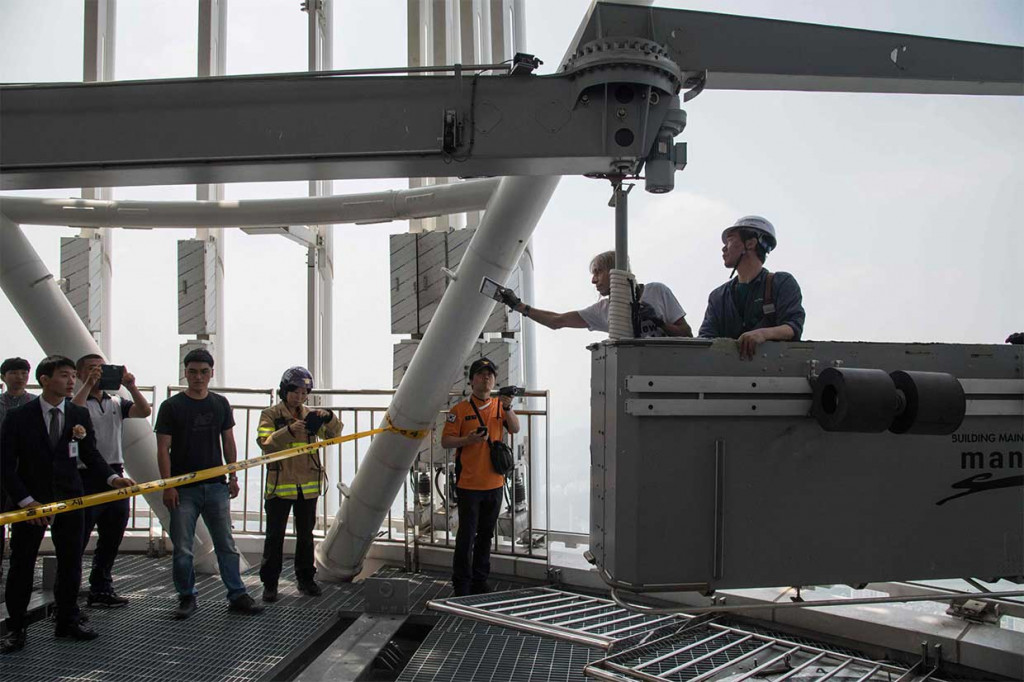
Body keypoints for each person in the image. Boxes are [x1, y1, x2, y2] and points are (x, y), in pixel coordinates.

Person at [0, 356, 134, 654]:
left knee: (72, 561)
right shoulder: (19, 417)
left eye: (74, 375)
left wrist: (113, 479)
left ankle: (67, 620)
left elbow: (91, 454)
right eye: (64, 375)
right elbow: (6, 466)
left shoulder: (77, 414)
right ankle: (17, 628)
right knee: (22, 564)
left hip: (71, 497)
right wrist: (26, 501)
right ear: (45, 380)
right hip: (30, 502)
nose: (72, 381)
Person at [154, 348, 262, 619]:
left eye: (203, 372)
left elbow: (228, 441)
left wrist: (233, 476)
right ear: (185, 373)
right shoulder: (171, 407)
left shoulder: (220, 404)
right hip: (184, 489)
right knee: (183, 548)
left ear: (211, 374)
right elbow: (162, 448)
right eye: (193, 372)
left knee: (226, 543)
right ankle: (187, 596)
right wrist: (169, 485)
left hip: (216, 485)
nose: (198, 377)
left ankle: (237, 594)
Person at [255, 366, 342, 602]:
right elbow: (266, 443)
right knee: (275, 536)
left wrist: (329, 417)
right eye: (295, 392)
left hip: (307, 484)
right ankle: (270, 583)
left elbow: (334, 435)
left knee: (306, 536)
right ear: (285, 391)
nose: (300, 397)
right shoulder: (270, 415)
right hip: (280, 484)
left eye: (304, 393)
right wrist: (288, 431)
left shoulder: (309, 414)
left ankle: (306, 579)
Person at [72, 355, 152, 608]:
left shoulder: (116, 401)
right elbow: (74, 410)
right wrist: (88, 384)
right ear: (78, 373)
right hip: (85, 473)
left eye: (101, 368)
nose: (97, 372)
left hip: (116, 471)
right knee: (77, 537)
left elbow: (144, 411)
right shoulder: (74, 400)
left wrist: (130, 385)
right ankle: (68, 593)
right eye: (90, 369)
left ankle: (101, 587)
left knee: (112, 534)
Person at [440, 358, 520, 596]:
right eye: (481, 374)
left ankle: (479, 580)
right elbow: (446, 441)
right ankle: (461, 584)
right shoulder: (459, 411)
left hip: (495, 482)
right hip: (469, 484)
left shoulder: (499, 406)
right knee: (466, 535)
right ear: (471, 380)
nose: (486, 378)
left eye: (490, 375)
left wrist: (508, 408)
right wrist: (468, 440)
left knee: (486, 534)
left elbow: (514, 428)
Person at [497, 250, 692, 338]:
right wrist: (518, 306)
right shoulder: (603, 310)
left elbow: (687, 334)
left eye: (598, 272)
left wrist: (658, 321)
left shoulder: (657, 291)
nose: (593, 280)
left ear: (615, 270)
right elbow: (557, 321)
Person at [698, 216, 805, 359]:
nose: (724, 248)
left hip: (772, 371)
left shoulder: (781, 283)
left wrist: (762, 334)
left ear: (750, 243)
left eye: (730, 240)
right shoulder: (719, 296)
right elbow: (705, 340)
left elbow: (792, 327)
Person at [1, 357, 36, 586]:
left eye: (24, 372)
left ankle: (19, 570)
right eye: (14, 372)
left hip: (27, 470)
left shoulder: (35, 403)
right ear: (4, 376)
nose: (20, 377)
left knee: (23, 523)